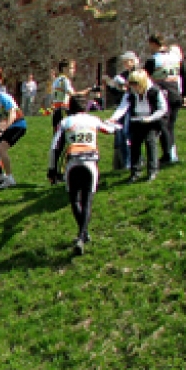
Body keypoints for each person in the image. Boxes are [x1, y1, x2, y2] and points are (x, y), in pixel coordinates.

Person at [47, 97, 119, 256]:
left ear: (69, 108)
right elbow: (109, 130)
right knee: (87, 201)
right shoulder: (93, 119)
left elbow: (54, 147)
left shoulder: (66, 122)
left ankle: (82, 235)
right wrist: (116, 124)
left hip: (73, 164)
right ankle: (82, 235)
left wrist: (52, 170)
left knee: (74, 200)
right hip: (90, 164)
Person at [109, 69, 167, 183]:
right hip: (136, 120)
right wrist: (113, 118)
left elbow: (163, 109)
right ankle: (135, 172)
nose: (134, 88)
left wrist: (150, 118)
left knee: (151, 144)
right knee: (134, 146)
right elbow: (123, 106)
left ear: (142, 83)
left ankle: (152, 171)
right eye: (132, 85)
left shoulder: (154, 91)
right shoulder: (131, 93)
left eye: (136, 85)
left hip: (151, 121)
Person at [144, 34, 184, 164]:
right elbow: (184, 76)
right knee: (170, 126)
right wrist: (183, 94)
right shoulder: (176, 58)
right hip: (175, 93)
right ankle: (172, 154)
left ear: (153, 44)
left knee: (163, 126)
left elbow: (143, 79)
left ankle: (168, 155)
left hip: (162, 94)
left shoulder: (153, 60)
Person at [0, 79, 27, 189]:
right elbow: (2, 117)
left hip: (18, 125)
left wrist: (5, 129)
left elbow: (12, 113)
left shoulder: (3, 97)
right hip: (7, 126)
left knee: (1, 149)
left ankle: (9, 178)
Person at [103, 52, 138, 171]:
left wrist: (125, 85)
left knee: (128, 134)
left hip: (133, 107)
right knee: (121, 134)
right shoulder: (123, 74)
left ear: (132, 61)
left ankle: (131, 162)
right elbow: (119, 92)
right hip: (124, 105)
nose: (125, 64)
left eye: (127, 61)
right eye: (123, 62)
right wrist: (111, 84)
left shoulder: (138, 73)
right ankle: (123, 163)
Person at [51, 59, 77, 133]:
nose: (73, 70)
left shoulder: (56, 80)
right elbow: (72, 94)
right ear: (64, 69)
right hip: (63, 110)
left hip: (56, 111)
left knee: (57, 137)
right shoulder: (65, 80)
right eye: (71, 68)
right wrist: (88, 90)